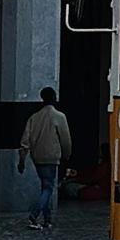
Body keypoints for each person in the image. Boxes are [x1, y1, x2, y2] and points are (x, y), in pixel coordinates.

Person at [18, 87, 72, 230]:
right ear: (54, 97)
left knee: (45, 186)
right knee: (48, 188)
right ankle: (34, 214)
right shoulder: (59, 117)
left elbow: (25, 141)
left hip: (37, 157)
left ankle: (47, 220)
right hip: (52, 157)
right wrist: (67, 155)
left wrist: (22, 160)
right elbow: (65, 140)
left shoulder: (34, 117)